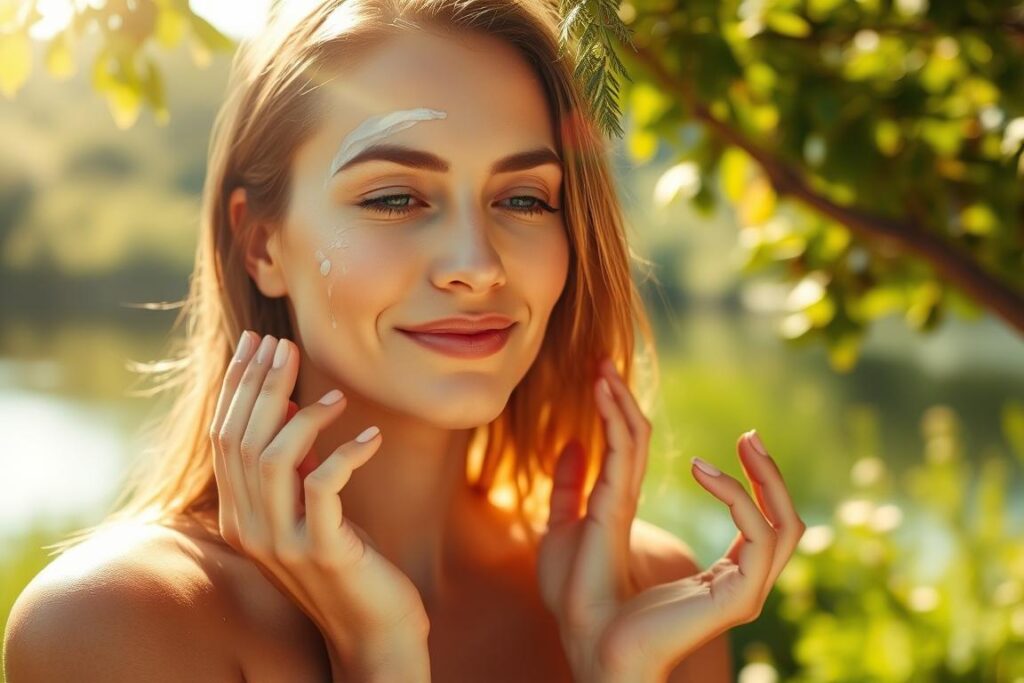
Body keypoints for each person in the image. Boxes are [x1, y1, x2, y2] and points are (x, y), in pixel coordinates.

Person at [3, 0, 805, 680]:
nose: (476, 265)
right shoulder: (119, 624)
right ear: (262, 245)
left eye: (524, 198)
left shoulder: (655, 591)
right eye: (394, 197)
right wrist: (377, 658)